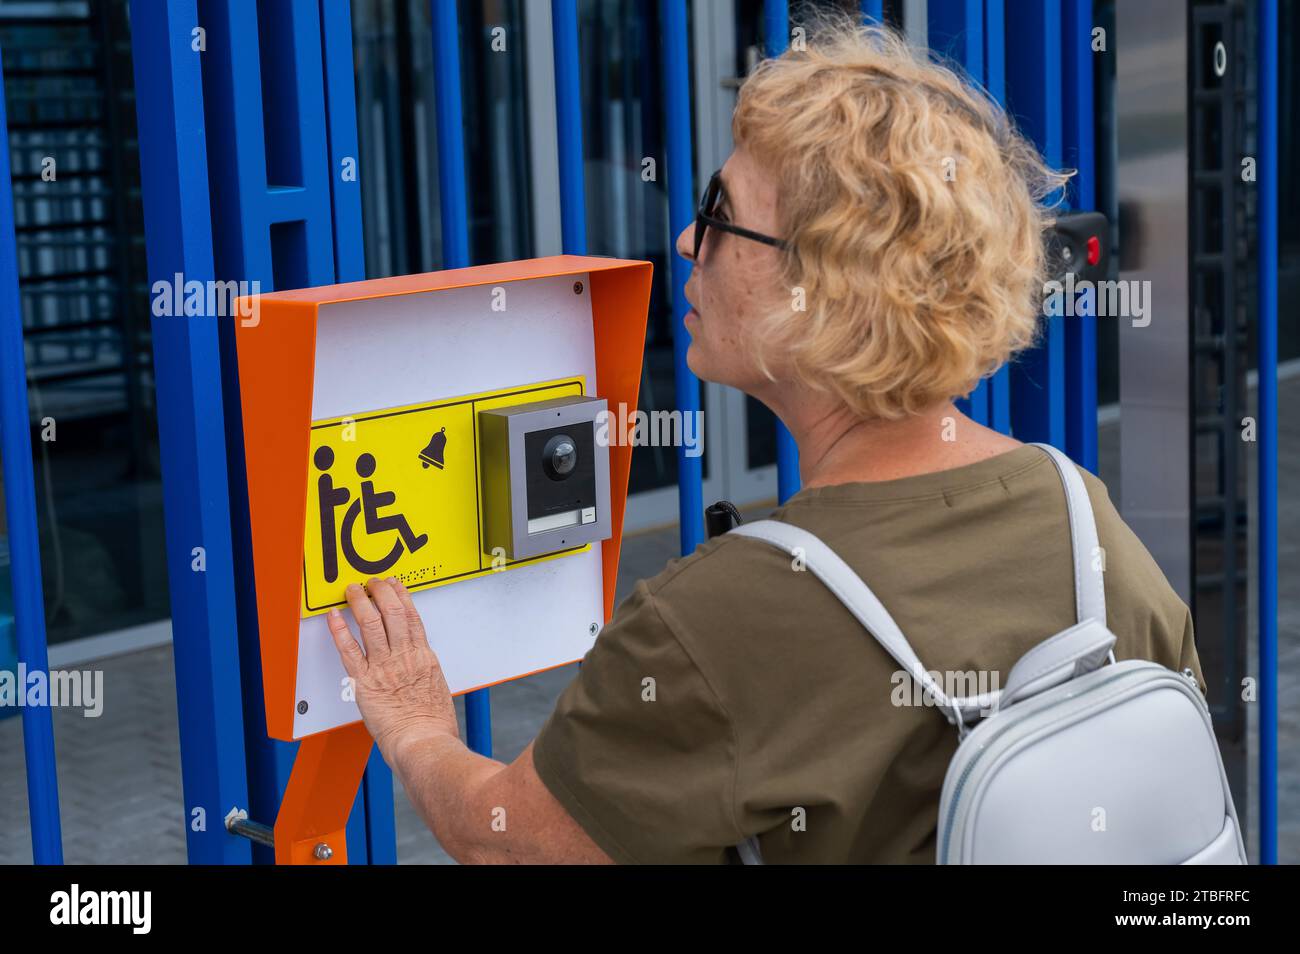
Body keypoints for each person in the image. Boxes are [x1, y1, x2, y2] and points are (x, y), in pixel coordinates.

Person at [326, 17, 1204, 864]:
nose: (684, 239)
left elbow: (503, 840)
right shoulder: (1079, 513)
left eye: (719, 212)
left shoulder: (717, 618)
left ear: (823, 288)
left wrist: (414, 728)